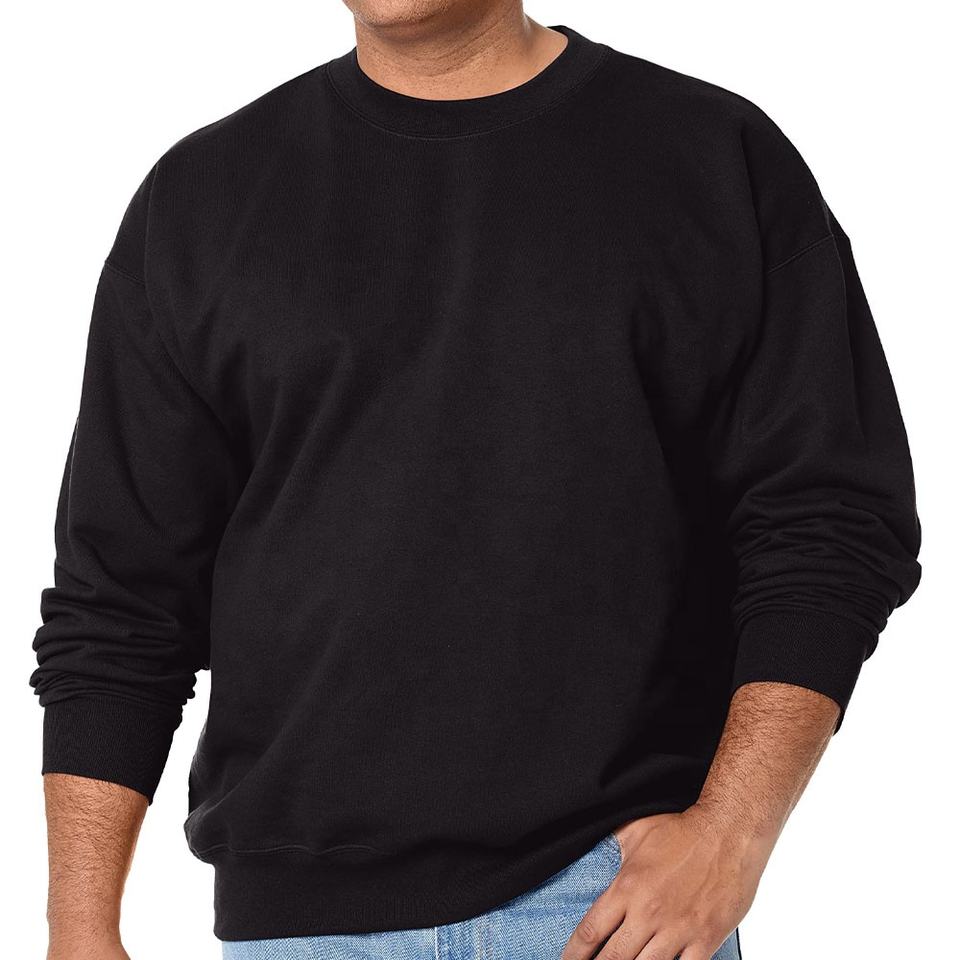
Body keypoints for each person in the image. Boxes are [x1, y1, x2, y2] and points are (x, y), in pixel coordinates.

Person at [30, 2, 922, 959]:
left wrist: (734, 836)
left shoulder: (709, 154)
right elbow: (121, 600)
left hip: (612, 906)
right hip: (303, 929)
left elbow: (830, 521)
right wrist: (80, 928)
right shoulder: (203, 196)